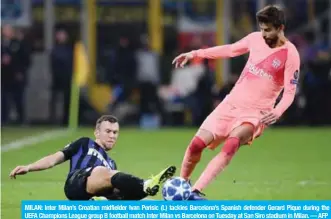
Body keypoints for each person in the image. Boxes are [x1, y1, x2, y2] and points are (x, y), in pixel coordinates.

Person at [172, 5, 300, 200]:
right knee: (195, 145)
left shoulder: (291, 54)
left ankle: (195, 192)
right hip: (230, 105)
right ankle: (182, 185)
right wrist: (195, 54)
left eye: (268, 30)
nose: (263, 34)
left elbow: (290, 92)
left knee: (231, 144)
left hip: (256, 113)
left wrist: (278, 110)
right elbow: (229, 50)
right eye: (261, 29)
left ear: (280, 28)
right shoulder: (254, 39)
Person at [9, 115, 176, 200]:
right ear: (97, 132)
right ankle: (145, 183)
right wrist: (29, 167)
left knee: (124, 190)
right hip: (77, 182)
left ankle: (137, 190)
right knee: (106, 172)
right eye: (108, 132)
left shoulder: (111, 163)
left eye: (115, 132)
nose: (112, 136)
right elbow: (54, 158)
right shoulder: (84, 143)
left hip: (95, 190)